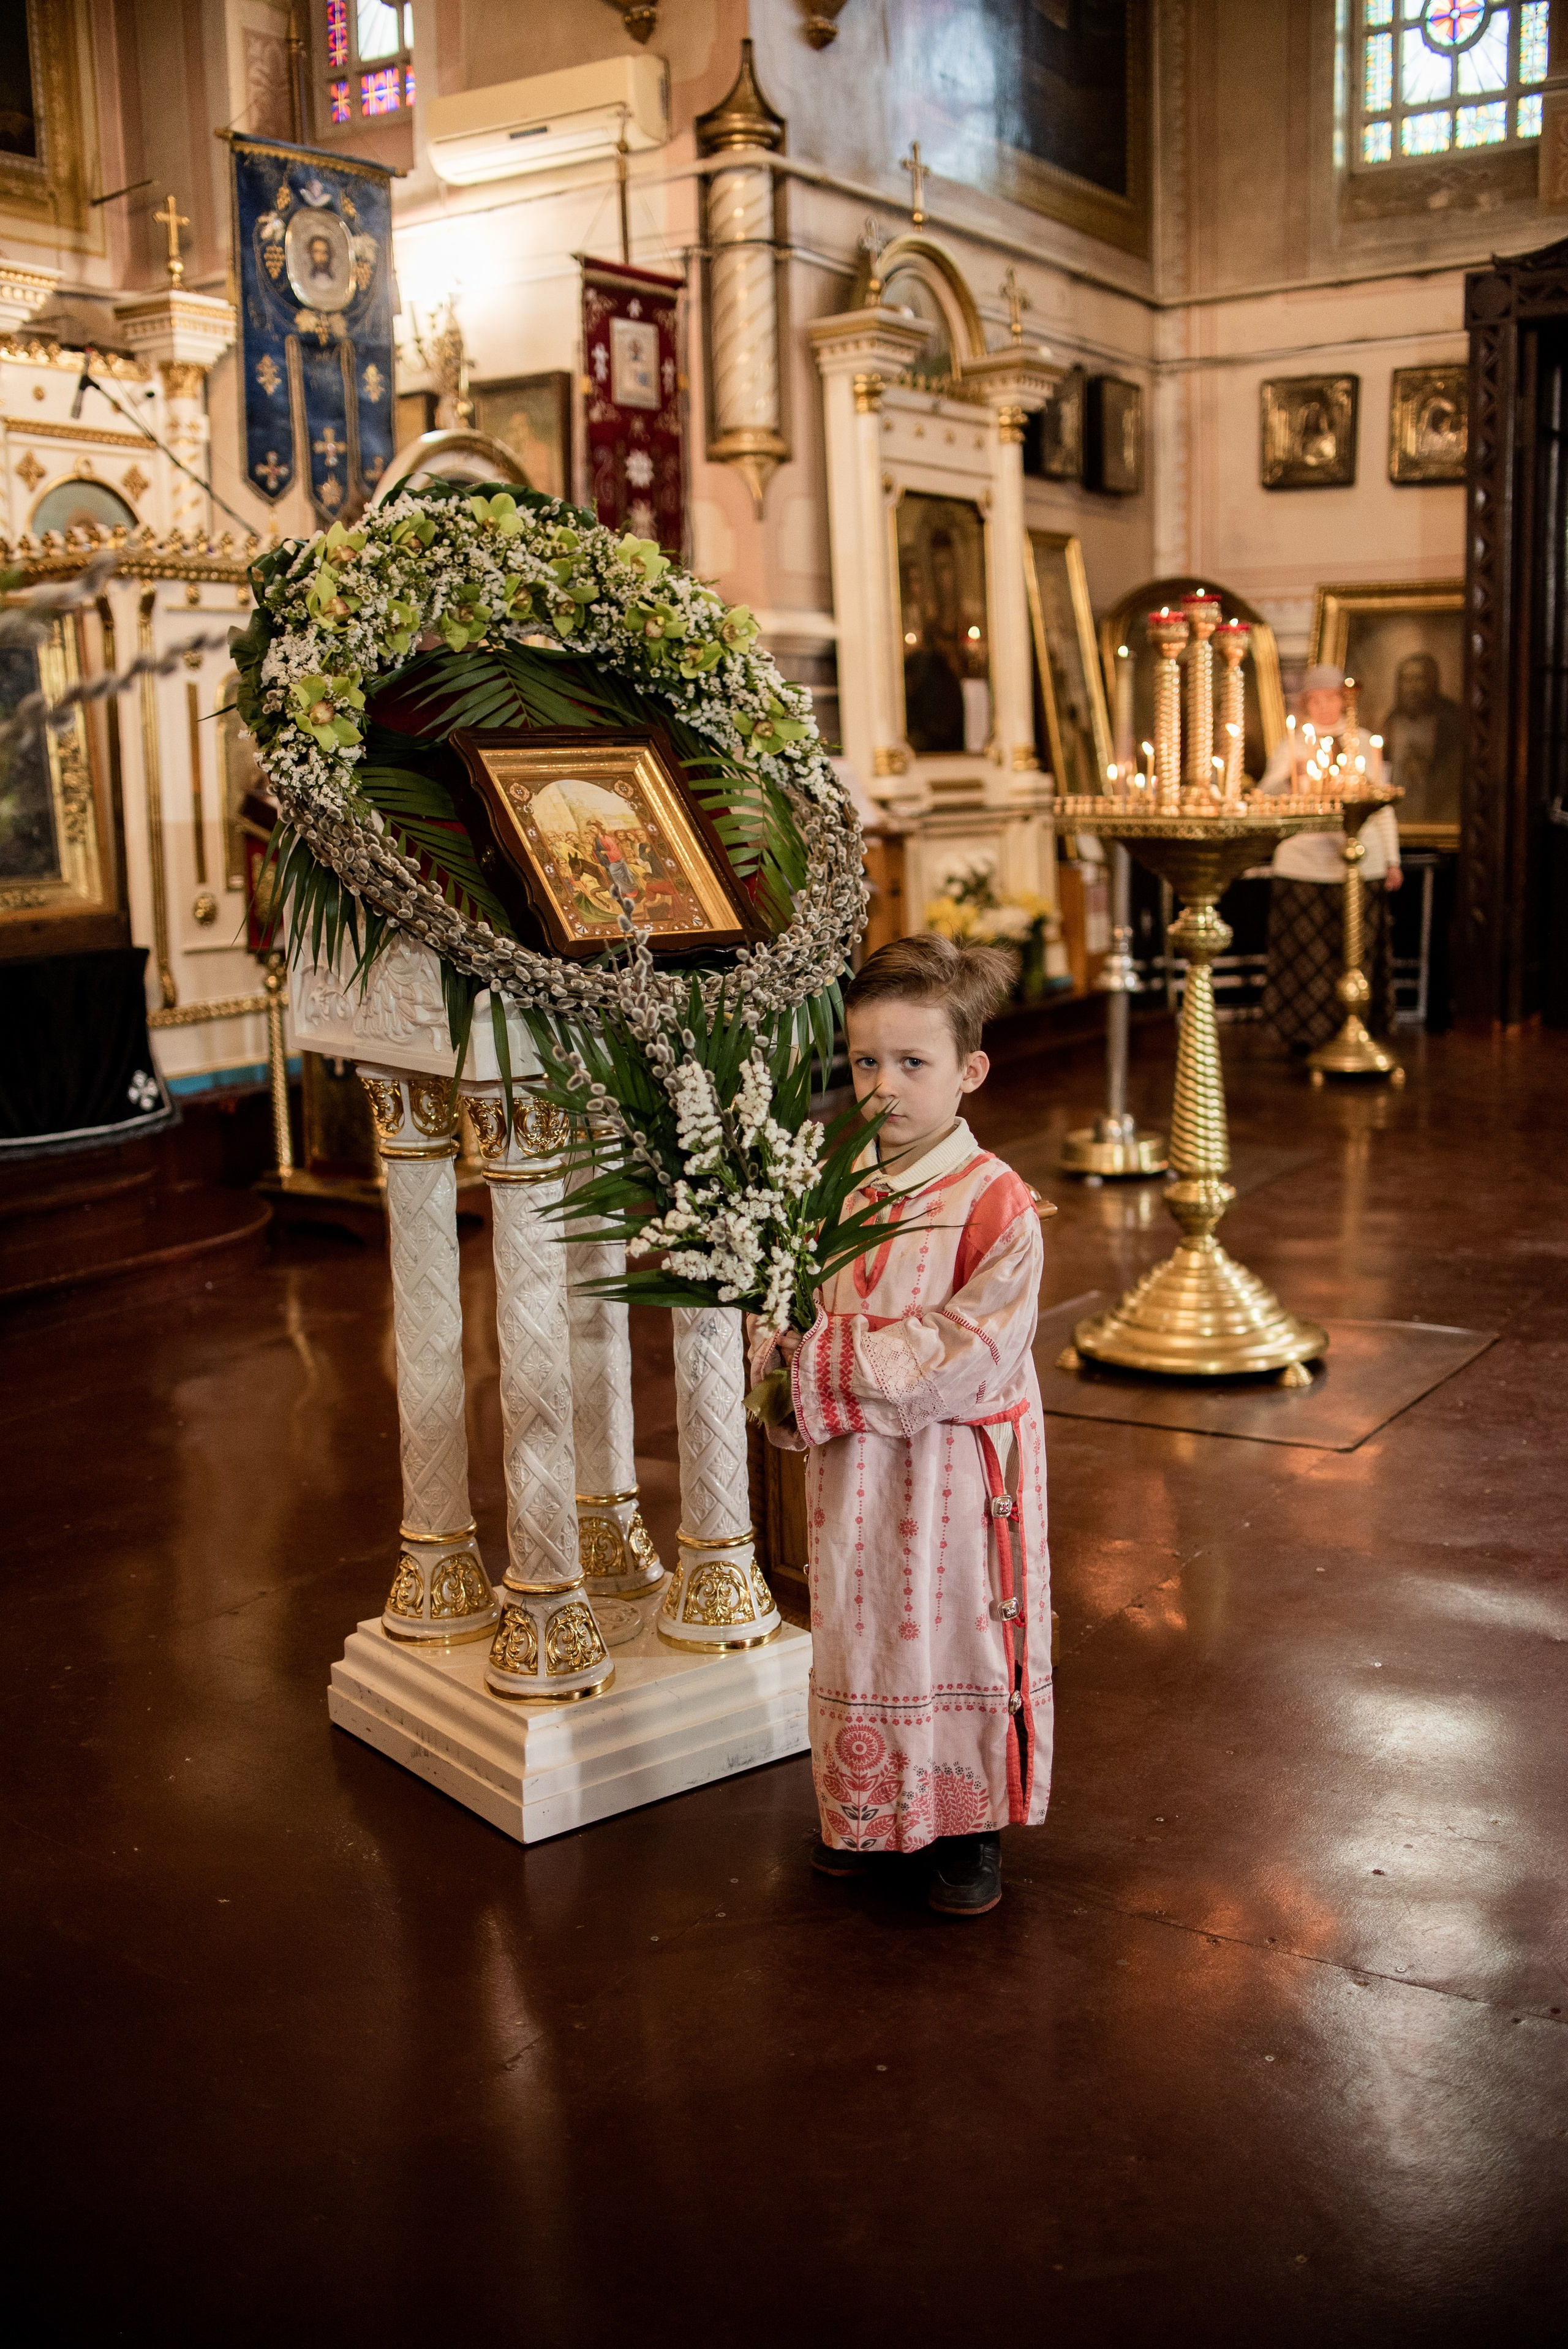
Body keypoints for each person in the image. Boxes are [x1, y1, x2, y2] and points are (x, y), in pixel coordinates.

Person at [750, 935, 1052, 1918]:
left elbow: (970, 1346)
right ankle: (868, 1813)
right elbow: (789, 1304)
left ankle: (967, 1827)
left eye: (914, 1063)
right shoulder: (835, 1186)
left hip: (958, 1475)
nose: (885, 1085)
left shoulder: (994, 1203)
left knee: (956, 1631)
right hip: (860, 1472)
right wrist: (774, 1356)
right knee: (862, 1625)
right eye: (867, 1060)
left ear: (970, 1071)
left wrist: (822, 1365)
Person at [1258, 663, 1401, 1052]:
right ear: (1307, 704)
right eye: (1316, 699)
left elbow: (1382, 803)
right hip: (1303, 864)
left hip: (1359, 864)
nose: (1324, 706)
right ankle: (1307, 1036)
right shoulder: (1293, 745)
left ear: (1345, 699)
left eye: (1332, 697)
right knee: (1308, 955)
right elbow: (1267, 798)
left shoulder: (1365, 742)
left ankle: (1359, 1028)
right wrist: (1291, 776)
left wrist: (1392, 859)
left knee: (1357, 949)